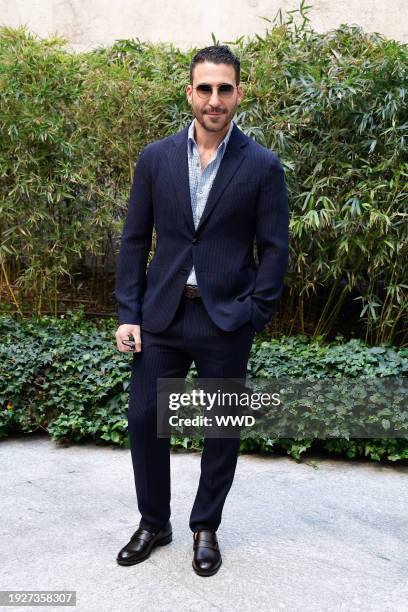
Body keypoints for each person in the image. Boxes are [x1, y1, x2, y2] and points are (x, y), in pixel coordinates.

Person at [114, 45, 289, 577]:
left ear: (239, 93)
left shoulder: (261, 165)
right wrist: (129, 311)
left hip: (224, 319)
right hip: (161, 314)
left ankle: (205, 526)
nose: (215, 99)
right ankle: (154, 521)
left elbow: (275, 249)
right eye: (206, 88)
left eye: (225, 89)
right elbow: (134, 238)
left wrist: (254, 312)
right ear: (190, 93)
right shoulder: (155, 158)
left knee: (220, 427)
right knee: (145, 419)